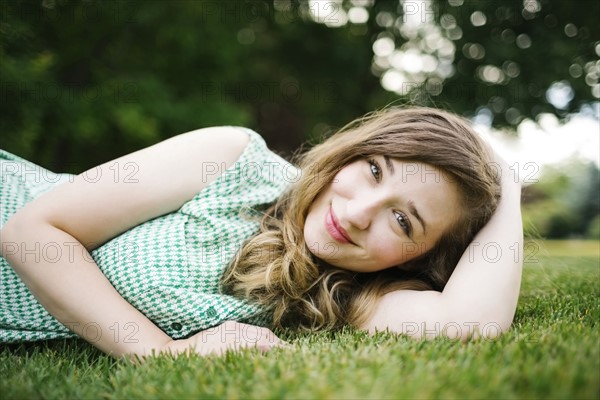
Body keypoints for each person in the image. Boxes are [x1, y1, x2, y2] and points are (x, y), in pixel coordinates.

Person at [0, 107, 523, 360]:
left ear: (419, 258)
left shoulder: (349, 296)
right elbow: (33, 230)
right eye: (374, 170)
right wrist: (161, 352)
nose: (359, 212)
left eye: (403, 220)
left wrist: (510, 185)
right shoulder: (230, 158)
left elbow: (465, 325)